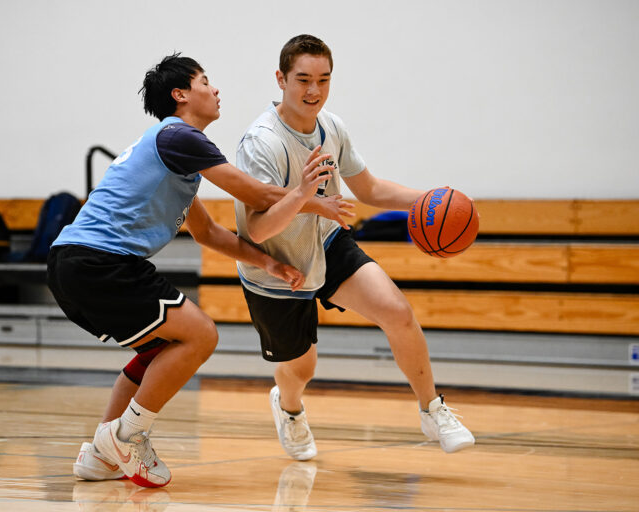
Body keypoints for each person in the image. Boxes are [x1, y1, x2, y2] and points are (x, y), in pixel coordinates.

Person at [48, 53, 350, 488]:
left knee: (158, 350)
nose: (216, 89)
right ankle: (127, 436)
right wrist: (309, 196)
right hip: (100, 261)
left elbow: (208, 232)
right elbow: (253, 191)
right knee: (202, 334)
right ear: (181, 94)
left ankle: (99, 456)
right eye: (206, 81)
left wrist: (268, 262)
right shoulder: (180, 135)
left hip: (71, 263)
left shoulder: (173, 155)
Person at [234, 34, 475, 461]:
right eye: (303, 79)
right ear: (281, 79)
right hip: (275, 265)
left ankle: (432, 409)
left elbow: (371, 188)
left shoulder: (332, 128)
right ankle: (288, 408)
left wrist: (431, 199)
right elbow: (257, 229)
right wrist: (308, 196)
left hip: (326, 241)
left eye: (323, 80)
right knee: (302, 368)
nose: (314, 91)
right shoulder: (262, 143)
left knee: (397, 311)